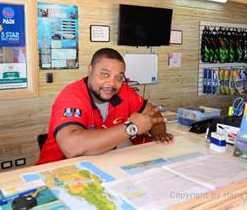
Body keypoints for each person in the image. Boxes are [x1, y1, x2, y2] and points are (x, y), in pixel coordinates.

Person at [37, 48, 173, 165]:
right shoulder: (72, 96)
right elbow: (72, 147)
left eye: (118, 77)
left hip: (102, 165)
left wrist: (159, 133)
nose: (112, 83)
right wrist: (132, 128)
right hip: (57, 171)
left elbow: (152, 114)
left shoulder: (124, 91)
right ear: (90, 70)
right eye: (105, 74)